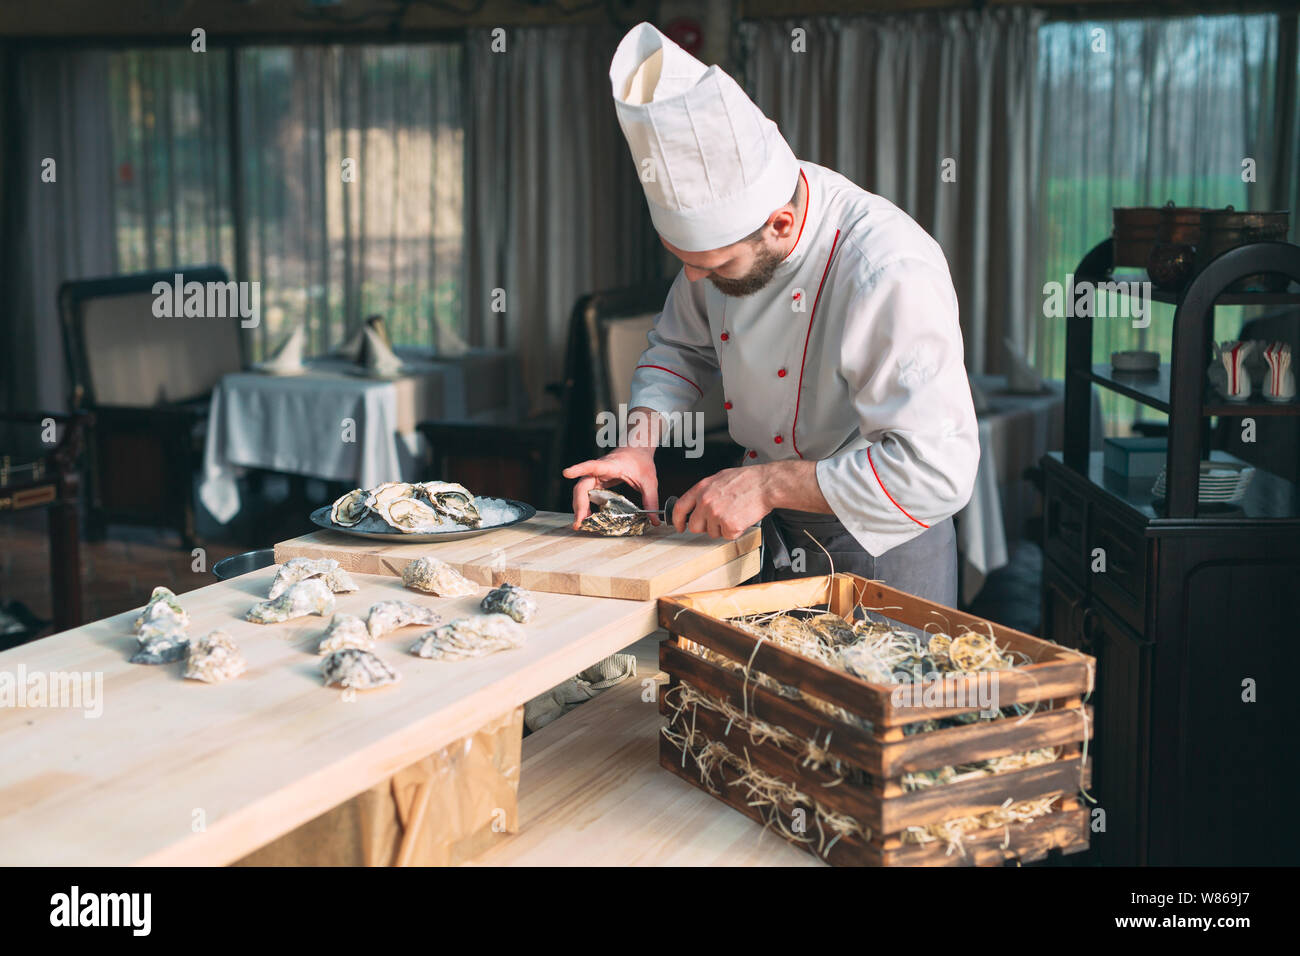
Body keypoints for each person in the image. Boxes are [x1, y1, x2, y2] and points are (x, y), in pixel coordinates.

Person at [564, 22, 979, 606]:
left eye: (715, 267)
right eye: (687, 265)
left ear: (780, 226)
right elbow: (681, 349)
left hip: (879, 542)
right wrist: (639, 445)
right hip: (767, 529)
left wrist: (766, 482)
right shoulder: (720, 248)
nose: (698, 282)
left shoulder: (886, 269)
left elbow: (937, 471)